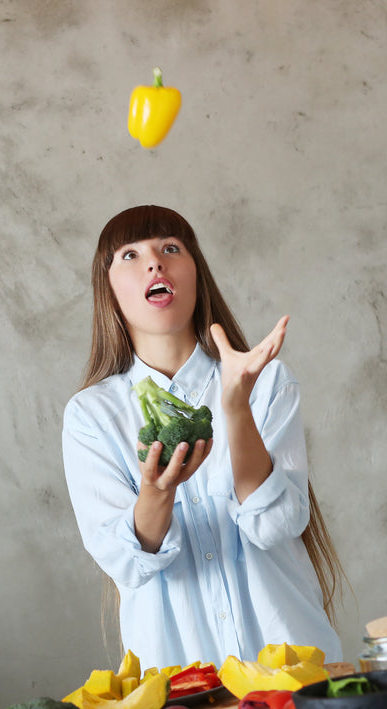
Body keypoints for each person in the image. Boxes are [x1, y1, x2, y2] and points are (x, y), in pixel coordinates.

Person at [61, 204, 345, 669]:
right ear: (107, 289)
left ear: (196, 273)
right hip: (180, 685)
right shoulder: (92, 416)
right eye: (130, 255)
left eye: (170, 248)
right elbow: (127, 561)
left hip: (293, 666)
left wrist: (234, 405)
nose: (155, 261)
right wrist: (156, 491)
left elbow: (274, 525)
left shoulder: (266, 383)